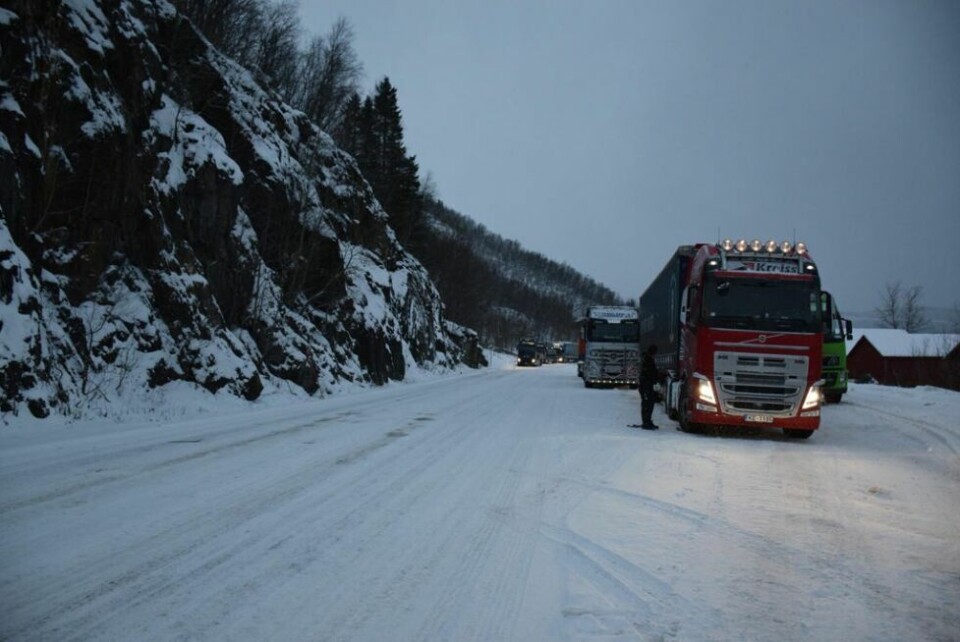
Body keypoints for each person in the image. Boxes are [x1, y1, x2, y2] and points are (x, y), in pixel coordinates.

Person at [638, 344, 660, 430]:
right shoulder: (648, 360)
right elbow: (650, 373)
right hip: (646, 386)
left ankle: (647, 421)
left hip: (645, 385)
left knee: (647, 404)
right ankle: (646, 422)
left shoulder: (646, 359)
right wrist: (656, 378)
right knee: (647, 404)